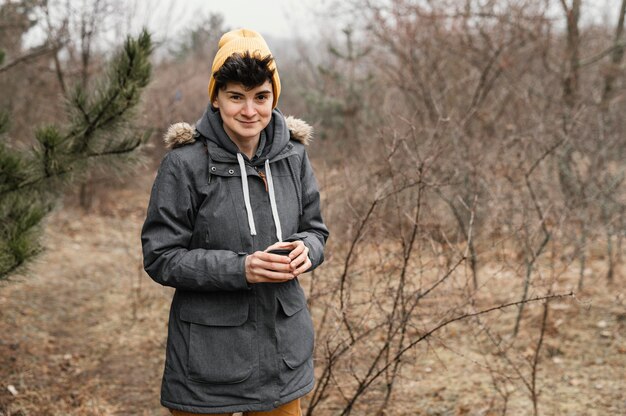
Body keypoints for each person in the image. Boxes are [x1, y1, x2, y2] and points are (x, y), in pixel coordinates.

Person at [141, 28, 328, 416]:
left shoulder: (293, 156)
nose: (249, 111)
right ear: (216, 97)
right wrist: (242, 268)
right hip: (208, 361)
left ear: (274, 96)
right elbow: (161, 256)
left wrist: (307, 250)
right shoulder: (184, 163)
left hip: (283, 355)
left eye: (261, 97)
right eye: (236, 97)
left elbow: (316, 229)